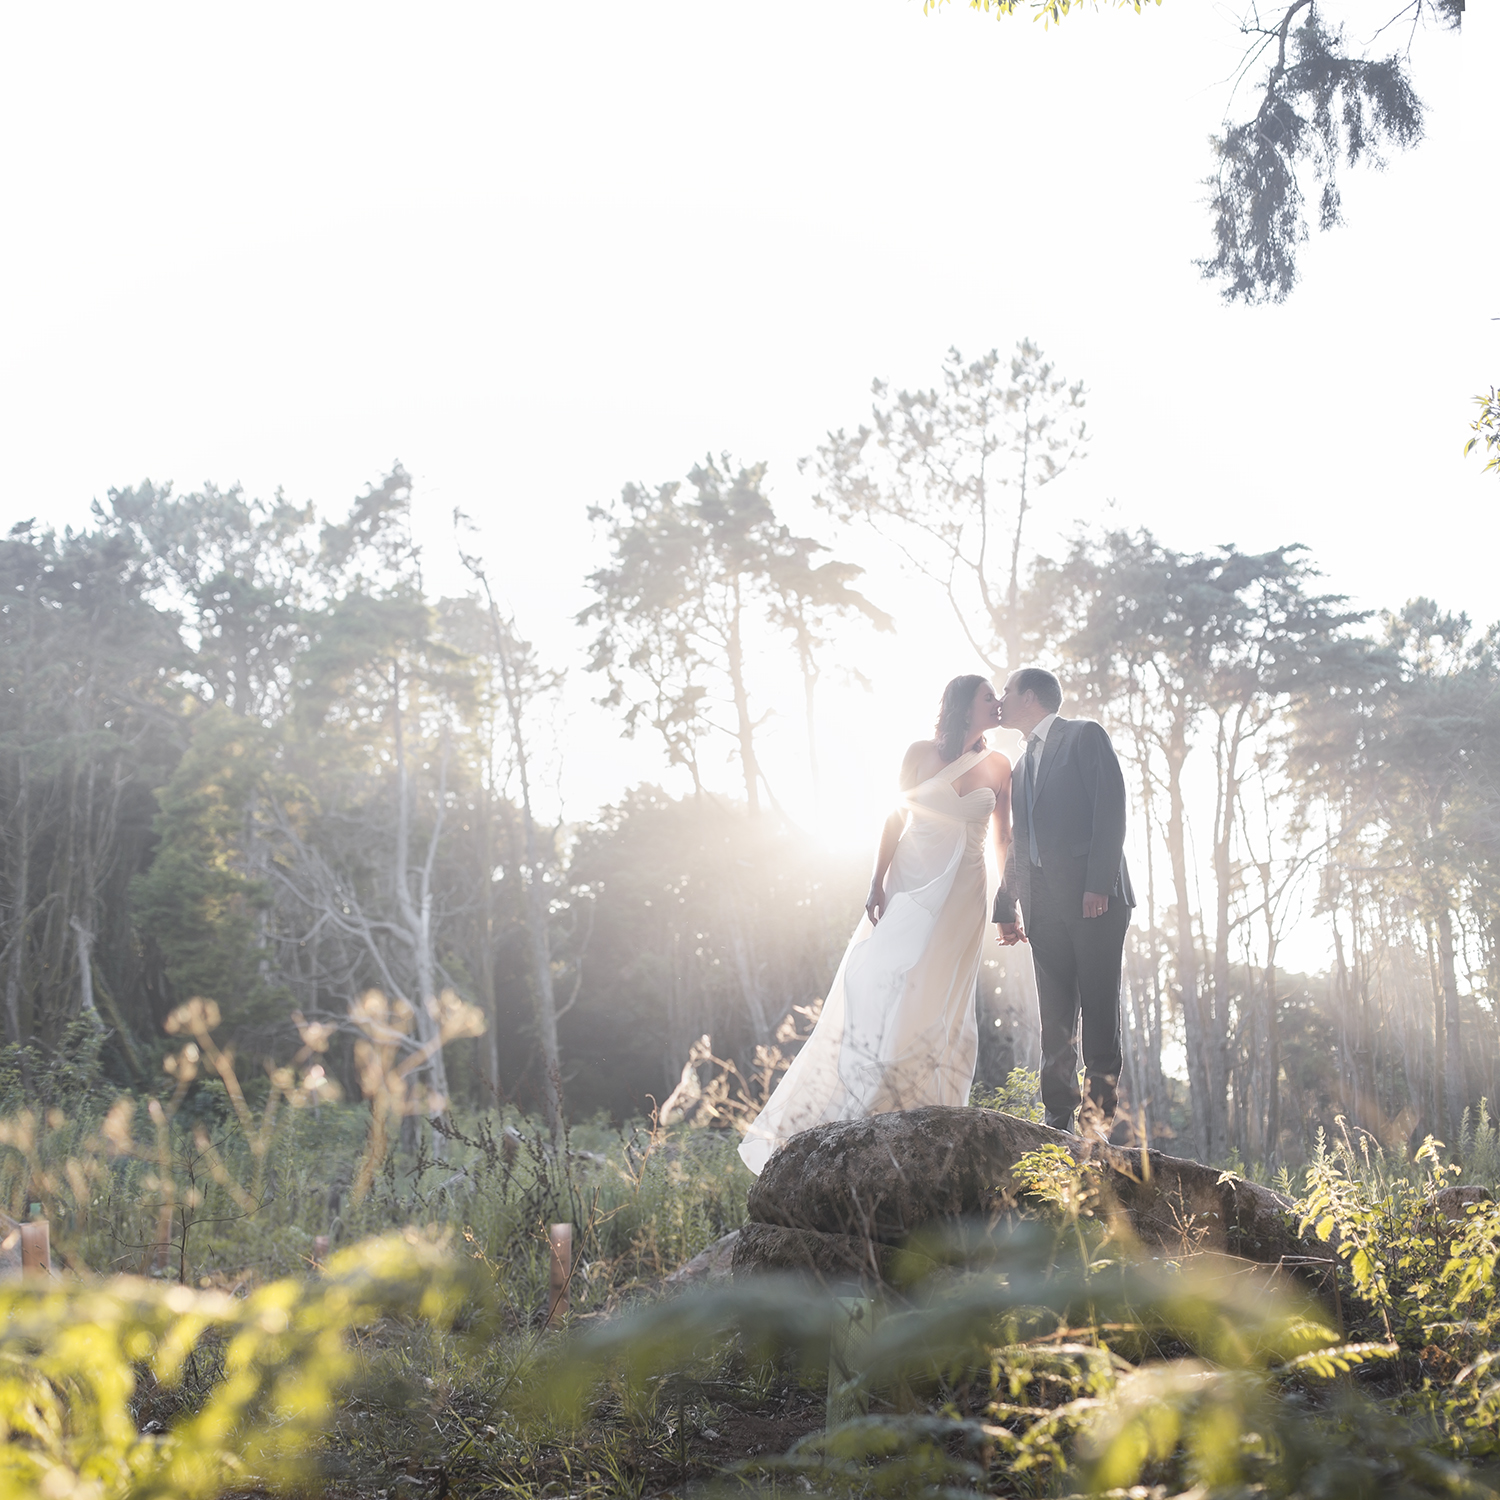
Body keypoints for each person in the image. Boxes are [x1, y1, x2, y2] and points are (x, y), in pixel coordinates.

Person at [737, 675, 1012, 1175]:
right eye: (989, 697)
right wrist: (876, 881)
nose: (999, 704)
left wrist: (1007, 897)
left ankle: (932, 1101)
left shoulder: (999, 765)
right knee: (891, 979)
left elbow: (1003, 839)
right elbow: (893, 817)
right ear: (963, 705)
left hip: (965, 891)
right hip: (910, 880)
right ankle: (871, 1094)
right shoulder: (919, 753)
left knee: (943, 988)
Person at [994, 667, 1135, 1137]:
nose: (1000, 699)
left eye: (1006, 692)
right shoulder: (1019, 766)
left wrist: (1099, 883)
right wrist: (1005, 902)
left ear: (1030, 697)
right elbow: (1020, 841)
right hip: (1044, 909)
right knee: (1054, 1018)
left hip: (1094, 901)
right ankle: (1055, 1124)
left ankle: (1095, 1126)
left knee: (1098, 1012)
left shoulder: (1083, 735)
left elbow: (1110, 806)